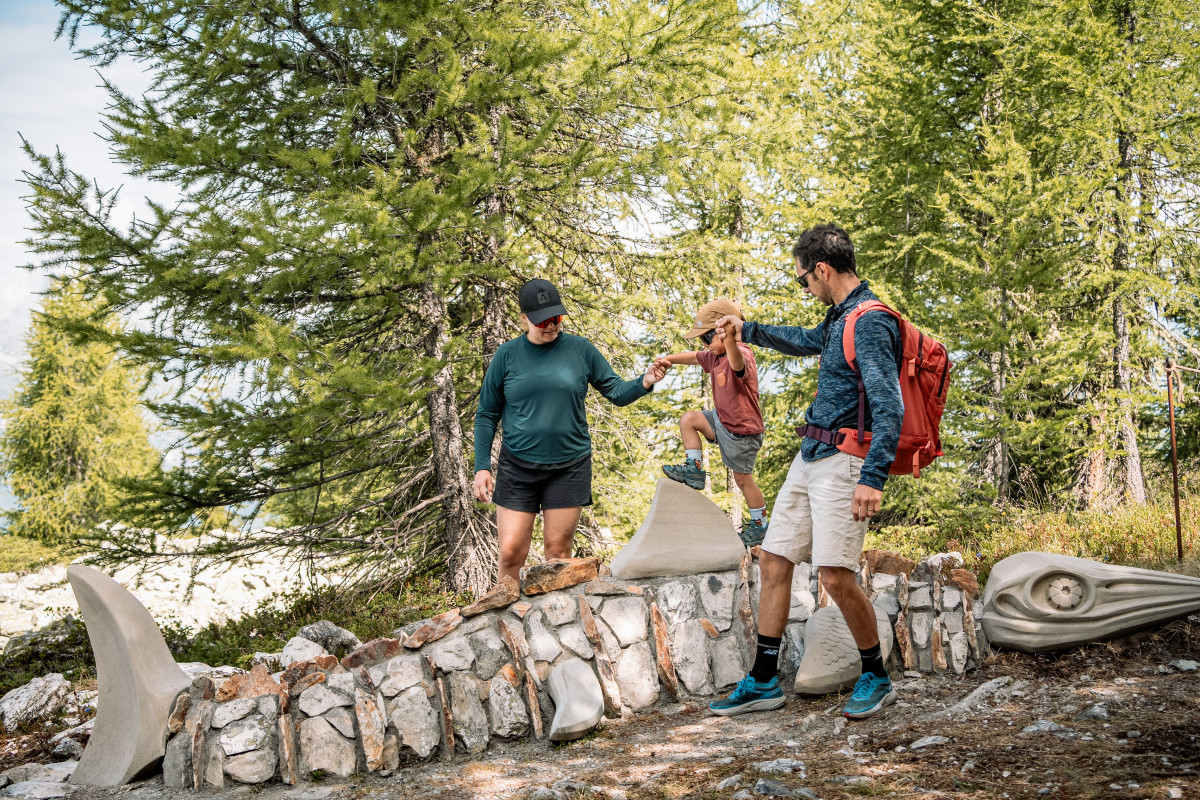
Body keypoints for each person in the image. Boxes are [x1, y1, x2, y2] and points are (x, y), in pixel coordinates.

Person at [707, 223, 904, 720]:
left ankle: (876, 676)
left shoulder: (870, 321)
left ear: (821, 269)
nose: (806, 288)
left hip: (846, 461)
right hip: (810, 456)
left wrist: (873, 477)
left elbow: (890, 406)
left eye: (803, 280)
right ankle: (765, 681)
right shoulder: (839, 318)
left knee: (835, 575)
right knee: (775, 560)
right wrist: (745, 330)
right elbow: (804, 340)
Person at [472, 278, 669, 585]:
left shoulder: (580, 350)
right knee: (511, 554)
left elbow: (616, 391)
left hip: (568, 467)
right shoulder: (507, 355)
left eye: (557, 317)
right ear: (523, 318)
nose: (551, 325)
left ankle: (553, 628)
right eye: (543, 320)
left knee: (558, 554)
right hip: (517, 468)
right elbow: (486, 414)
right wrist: (482, 466)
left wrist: (644, 381)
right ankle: (504, 622)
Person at [657, 298, 769, 547]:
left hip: (742, 433)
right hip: (722, 422)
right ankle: (694, 469)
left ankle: (760, 525)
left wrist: (730, 340)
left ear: (728, 332)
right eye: (703, 340)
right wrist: (669, 359)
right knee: (689, 419)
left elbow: (738, 363)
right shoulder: (714, 357)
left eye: (708, 338)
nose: (704, 345)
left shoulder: (740, 355)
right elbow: (695, 357)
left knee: (743, 480)